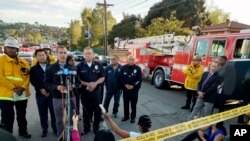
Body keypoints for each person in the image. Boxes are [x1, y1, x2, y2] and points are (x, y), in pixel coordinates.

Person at [0, 37, 31, 138]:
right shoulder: (1, 61)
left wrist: (22, 87)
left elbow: (28, 77)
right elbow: (1, 78)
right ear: (5, 49)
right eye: (8, 47)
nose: (10, 49)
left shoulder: (24, 62)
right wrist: (14, 88)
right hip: (5, 95)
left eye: (13, 47)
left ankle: (23, 131)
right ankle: (7, 136)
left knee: (21, 115)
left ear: (17, 49)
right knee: (7, 117)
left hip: (21, 94)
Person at [44, 46, 76, 138]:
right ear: (56, 54)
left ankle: (73, 137)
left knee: (72, 119)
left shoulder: (72, 68)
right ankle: (61, 137)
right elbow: (46, 83)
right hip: (57, 98)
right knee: (59, 120)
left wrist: (72, 86)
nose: (63, 55)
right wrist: (56, 87)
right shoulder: (51, 68)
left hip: (71, 97)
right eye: (60, 53)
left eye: (65, 53)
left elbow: (77, 82)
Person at [77, 47, 105, 134]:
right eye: (86, 53)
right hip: (85, 92)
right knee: (86, 111)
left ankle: (96, 128)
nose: (88, 55)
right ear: (83, 55)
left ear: (93, 55)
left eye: (89, 53)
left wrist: (95, 83)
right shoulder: (79, 66)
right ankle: (86, 128)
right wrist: (88, 84)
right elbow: (77, 80)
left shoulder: (98, 65)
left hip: (96, 92)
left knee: (97, 111)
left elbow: (103, 77)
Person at [30, 49, 57, 137]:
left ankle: (55, 128)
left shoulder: (52, 67)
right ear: (36, 57)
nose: (42, 57)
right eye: (39, 55)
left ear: (46, 56)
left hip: (52, 94)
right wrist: (41, 89)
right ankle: (44, 129)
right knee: (43, 113)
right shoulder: (33, 69)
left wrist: (49, 90)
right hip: (40, 94)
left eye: (43, 55)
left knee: (53, 113)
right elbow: (33, 81)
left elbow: (54, 80)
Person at [120, 55, 142, 123]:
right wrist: (125, 85)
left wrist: (133, 86)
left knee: (133, 104)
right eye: (130, 59)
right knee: (125, 104)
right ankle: (126, 116)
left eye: (132, 59)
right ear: (127, 60)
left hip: (134, 90)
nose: (131, 61)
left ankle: (133, 117)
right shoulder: (123, 68)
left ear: (134, 60)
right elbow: (121, 78)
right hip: (125, 90)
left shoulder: (138, 68)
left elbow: (139, 79)